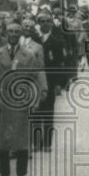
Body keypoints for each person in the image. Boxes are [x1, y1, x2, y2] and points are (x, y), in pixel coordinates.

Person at [0, 21, 47, 176]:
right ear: (5, 33)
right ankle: (4, 173)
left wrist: (37, 96)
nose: (14, 34)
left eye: (17, 31)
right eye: (10, 31)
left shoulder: (28, 54)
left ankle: (21, 173)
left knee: (22, 137)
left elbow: (35, 76)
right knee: (2, 138)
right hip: (2, 97)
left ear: (21, 33)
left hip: (21, 98)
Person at [33, 8, 68, 152]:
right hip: (35, 81)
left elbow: (62, 63)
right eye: (42, 21)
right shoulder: (33, 40)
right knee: (35, 112)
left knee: (48, 111)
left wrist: (60, 83)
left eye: (48, 21)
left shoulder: (57, 41)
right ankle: (36, 142)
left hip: (51, 80)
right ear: (38, 23)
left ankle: (47, 143)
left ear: (52, 23)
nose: (45, 24)